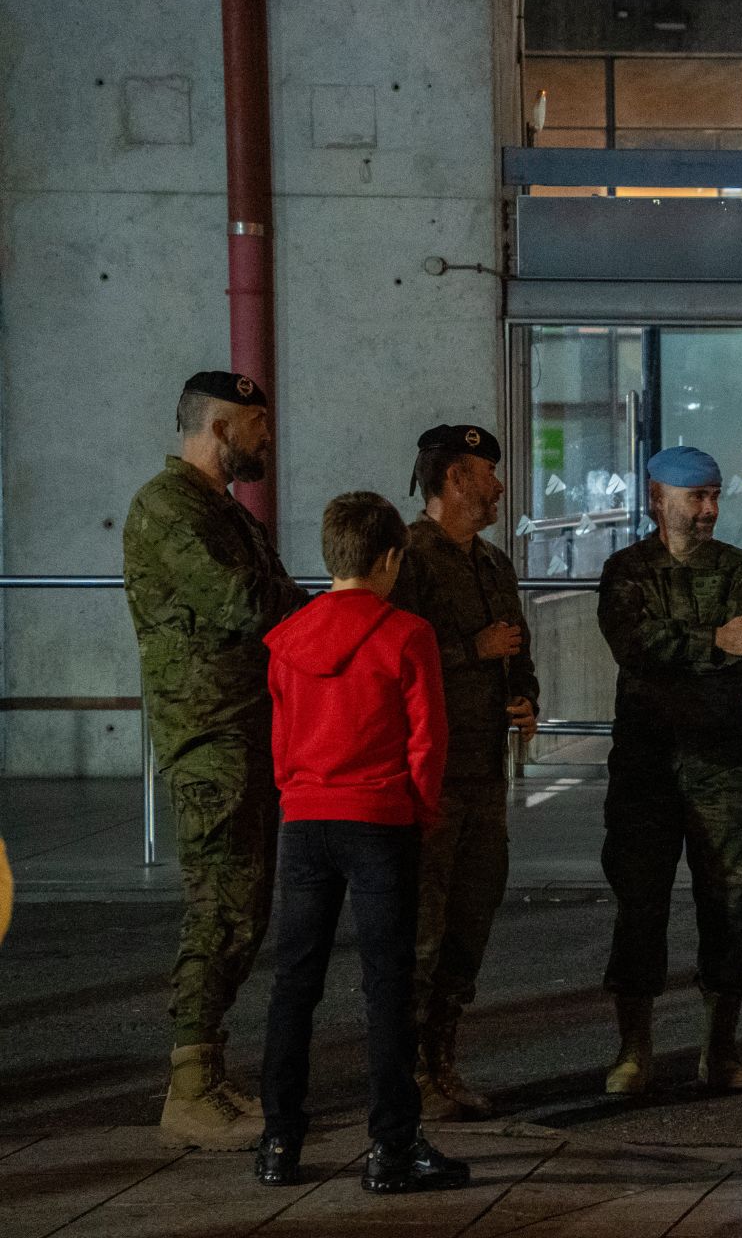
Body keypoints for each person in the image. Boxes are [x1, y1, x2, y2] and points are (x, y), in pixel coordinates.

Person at [255, 492, 468, 1194]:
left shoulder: (288, 637)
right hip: (379, 821)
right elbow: (428, 739)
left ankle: (279, 1141)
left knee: (295, 984)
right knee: (386, 987)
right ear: (387, 559)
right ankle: (391, 1147)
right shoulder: (406, 634)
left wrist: (299, 792)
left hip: (305, 820)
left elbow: (280, 738)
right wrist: (421, 809)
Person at [124, 370, 305, 1149]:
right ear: (221, 429)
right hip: (209, 734)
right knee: (222, 904)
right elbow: (248, 604)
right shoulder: (168, 509)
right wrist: (327, 611)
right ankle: (188, 1087)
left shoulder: (221, 511)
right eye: (257, 428)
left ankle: (205, 1068)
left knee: (245, 903)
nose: (267, 440)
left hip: (245, 727)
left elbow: (278, 596)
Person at [597, 445, 742, 1095]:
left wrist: (694, 647)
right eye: (696, 497)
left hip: (720, 761)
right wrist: (708, 642)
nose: (709, 509)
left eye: (715, 496)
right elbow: (631, 645)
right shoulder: (625, 569)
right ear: (655, 499)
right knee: (638, 905)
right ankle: (634, 1050)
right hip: (645, 764)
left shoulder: (739, 568)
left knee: (725, 904)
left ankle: (719, 1050)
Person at [387, 425, 540, 1121]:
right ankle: (405, 1072)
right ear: (452, 480)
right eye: (487, 473)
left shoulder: (492, 563)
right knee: (423, 923)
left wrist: (524, 693)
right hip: (431, 774)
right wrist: (470, 652)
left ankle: (441, 1061)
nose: (498, 486)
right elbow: (391, 657)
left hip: (485, 769)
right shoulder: (407, 559)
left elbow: (516, 644)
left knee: (471, 919)